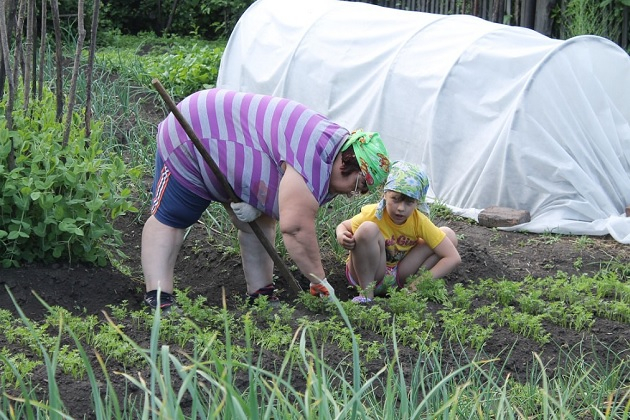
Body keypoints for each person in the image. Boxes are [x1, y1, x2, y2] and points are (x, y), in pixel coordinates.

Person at [142, 88, 391, 310]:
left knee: (261, 220)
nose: (351, 193)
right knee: (174, 216)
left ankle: (260, 294)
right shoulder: (313, 161)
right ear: (348, 163)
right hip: (198, 130)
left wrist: (255, 202)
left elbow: (270, 162)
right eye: (357, 185)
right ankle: (159, 296)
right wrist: (320, 281)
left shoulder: (331, 148)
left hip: (232, 145)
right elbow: (295, 228)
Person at [335, 160, 461, 303]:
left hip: (399, 275)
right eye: (395, 199)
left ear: (417, 203)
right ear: (385, 195)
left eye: (409, 202)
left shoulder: (418, 220)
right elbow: (343, 226)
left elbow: (453, 257)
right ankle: (366, 296)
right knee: (367, 229)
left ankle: (406, 289)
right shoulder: (373, 213)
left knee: (448, 236)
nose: (401, 208)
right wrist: (341, 235)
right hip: (368, 274)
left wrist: (417, 284)